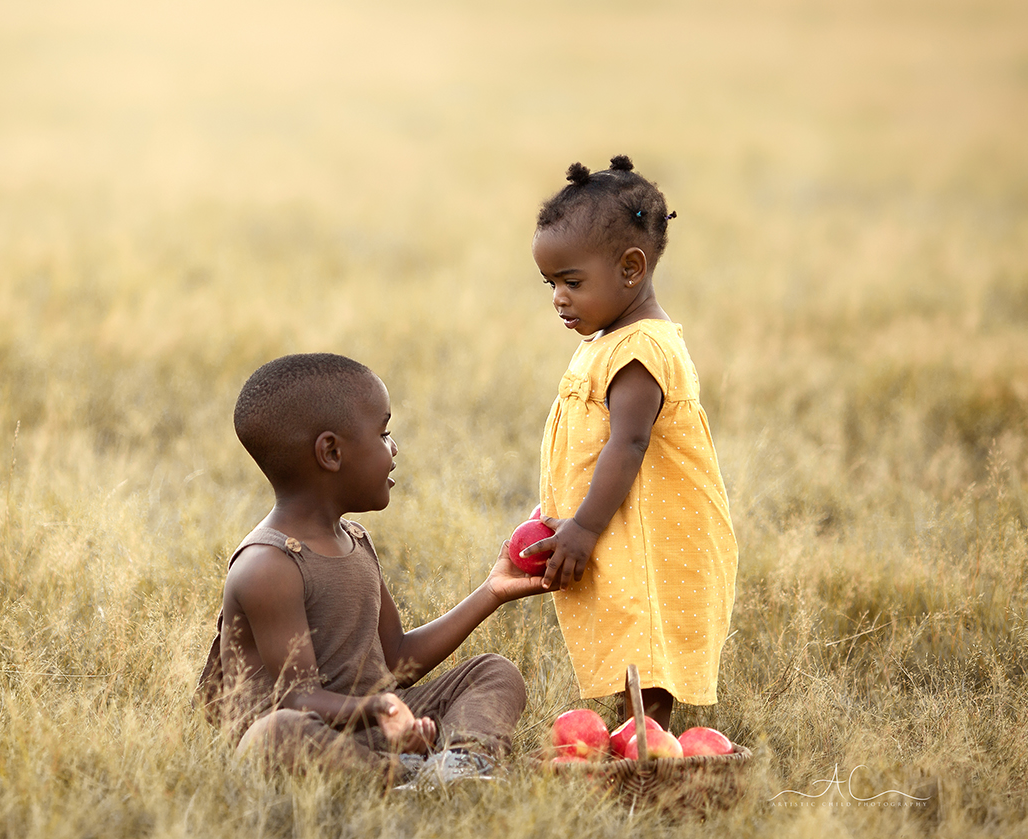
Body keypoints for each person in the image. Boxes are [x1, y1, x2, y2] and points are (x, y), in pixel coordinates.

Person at [194, 353, 546, 787]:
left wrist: (492, 591)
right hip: (314, 736)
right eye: (384, 433)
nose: (393, 448)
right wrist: (378, 711)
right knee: (275, 734)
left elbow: (397, 659)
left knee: (494, 672)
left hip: (380, 721)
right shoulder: (269, 566)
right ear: (331, 452)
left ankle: (461, 765)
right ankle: (406, 777)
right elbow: (297, 698)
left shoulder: (354, 539)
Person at [521, 155, 739, 732]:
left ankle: (650, 746)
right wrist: (558, 513)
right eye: (551, 284)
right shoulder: (607, 338)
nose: (559, 299)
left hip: (649, 530)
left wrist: (586, 527)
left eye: (572, 281)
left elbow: (629, 443)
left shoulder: (643, 349)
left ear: (631, 268)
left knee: (645, 631)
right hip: (620, 520)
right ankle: (632, 736)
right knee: (625, 625)